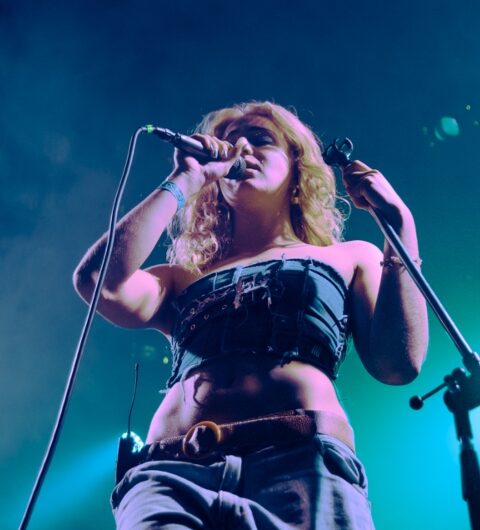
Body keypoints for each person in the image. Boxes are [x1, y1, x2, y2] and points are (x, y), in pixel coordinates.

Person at [73, 101, 428, 529]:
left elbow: (397, 363)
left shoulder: (349, 256)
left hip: (301, 461)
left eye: (261, 139)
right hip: (171, 473)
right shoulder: (180, 277)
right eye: (230, 141)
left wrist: (401, 226)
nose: (241, 148)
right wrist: (185, 178)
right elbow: (98, 281)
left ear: (297, 166)